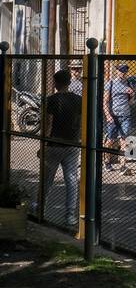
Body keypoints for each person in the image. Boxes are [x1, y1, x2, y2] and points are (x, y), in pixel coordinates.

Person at [45, 68, 82, 229]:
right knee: (72, 179)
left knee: (47, 178)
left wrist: (44, 142)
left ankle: (41, 207)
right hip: (73, 143)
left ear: (57, 83)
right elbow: (81, 121)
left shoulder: (52, 100)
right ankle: (70, 215)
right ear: (69, 82)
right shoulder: (79, 100)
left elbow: (48, 123)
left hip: (55, 143)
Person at [104, 62, 133, 159]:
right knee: (110, 141)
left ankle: (123, 166)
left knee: (124, 140)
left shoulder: (128, 83)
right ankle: (106, 161)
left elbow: (131, 101)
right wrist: (108, 115)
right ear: (117, 71)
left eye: (125, 70)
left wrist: (132, 94)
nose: (123, 73)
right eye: (121, 70)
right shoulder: (111, 83)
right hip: (113, 116)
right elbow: (105, 102)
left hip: (126, 116)